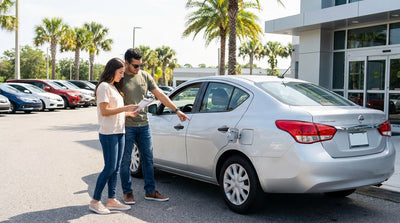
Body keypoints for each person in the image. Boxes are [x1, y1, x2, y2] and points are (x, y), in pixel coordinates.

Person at [120, 48, 190, 204]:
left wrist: (176, 110)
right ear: (126, 63)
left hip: (144, 125)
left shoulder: (144, 76)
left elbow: (160, 95)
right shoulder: (119, 77)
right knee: (125, 161)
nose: (138, 69)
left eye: (140, 65)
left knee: (148, 159)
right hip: (126, 126)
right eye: (135, 66)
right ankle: (127, 192)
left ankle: (150, 191)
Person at [89, 58, 139, 215]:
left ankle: (111, 200)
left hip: (119, 131)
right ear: (112, 71)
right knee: (109, 167)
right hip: (108, 133)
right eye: (120, 72)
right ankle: (95, 201)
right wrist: (125, 107)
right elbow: (105, 111)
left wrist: (129, 113)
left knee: (116, 168)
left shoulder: (114, 88)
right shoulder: (104, 87)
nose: (122, 76)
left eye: (123, 73)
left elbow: (115, 111)